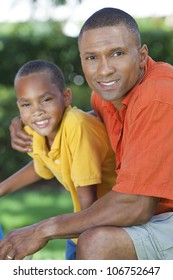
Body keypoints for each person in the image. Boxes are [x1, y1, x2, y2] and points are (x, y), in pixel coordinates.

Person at [0, 7, 173, 260]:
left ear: (142, 56)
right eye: (91, 57)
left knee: (97, 242)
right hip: (157, 216)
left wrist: (41, 230)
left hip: (160, 215)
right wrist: (30, 121)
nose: (104, 70)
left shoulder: (158, 97)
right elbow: (84, 128)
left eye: (117, 53)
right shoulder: (106, 96)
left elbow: (135, 205)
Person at [0, 59, 116, 260]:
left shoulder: (77, 126)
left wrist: (52, 233)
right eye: (27, 104)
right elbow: (41, 166)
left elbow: (87, 199)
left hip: (108, 226)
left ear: (66, 96)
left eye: (45, 100)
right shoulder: (37, 130)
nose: (37, 111)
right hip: (81, 226)